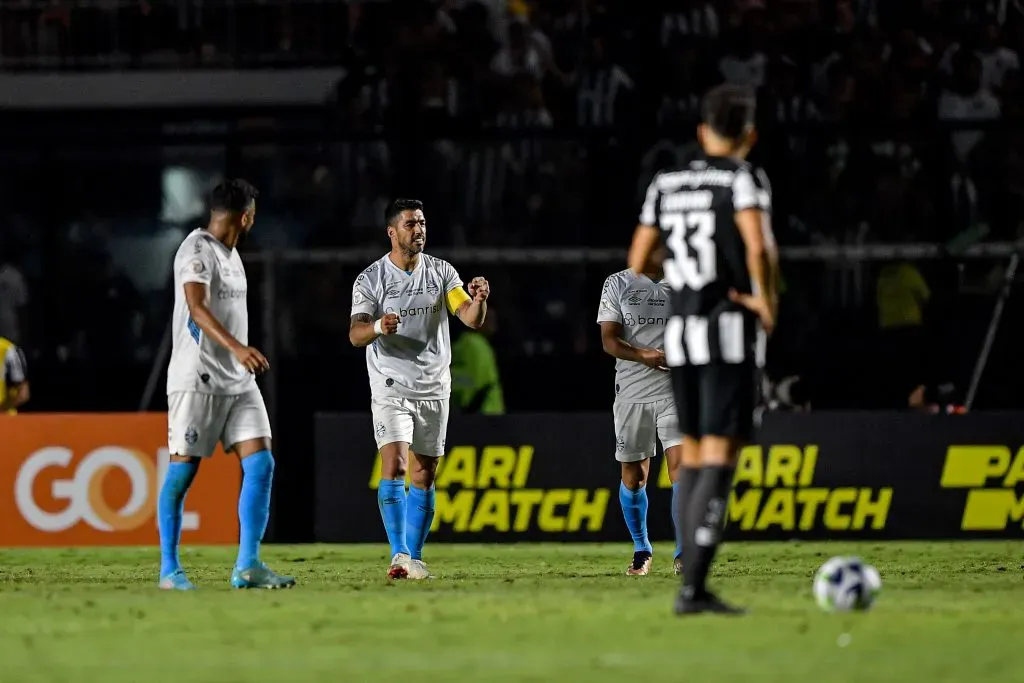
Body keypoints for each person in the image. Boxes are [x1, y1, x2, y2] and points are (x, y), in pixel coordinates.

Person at [627, 84, 778, 615]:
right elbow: (757, 246)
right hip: (726, 331)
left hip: (680, 334)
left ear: (701, 131)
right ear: (749, 135)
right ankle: (694, 588)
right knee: (719, 456)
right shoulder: (743, 178)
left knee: (690, 455)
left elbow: (639, 259)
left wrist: (684, 276)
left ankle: (692, 584)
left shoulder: (665, 183)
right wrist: (765, 301)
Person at [159, 178, 295, 591]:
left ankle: (248, 564)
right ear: (246, 216)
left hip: (237, 381)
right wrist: (238, 347)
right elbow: (197, 309)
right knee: (184, 470)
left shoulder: (232, 254)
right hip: (196, 377)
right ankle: (169, 570)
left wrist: (238, 357)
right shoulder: (196, 250)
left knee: (261, 462)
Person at [349, 198, 490, 580]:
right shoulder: (371, 279)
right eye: (411, 224)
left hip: (433, 387)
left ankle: (415, 556)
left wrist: (478, 301)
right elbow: (356, 333)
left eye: (423, 222)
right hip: (390, 384)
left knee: (424, 474)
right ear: (392, 232)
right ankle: (399, 554)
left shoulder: (442, 273)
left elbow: (469, 319)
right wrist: (378, 327)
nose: (420, 230)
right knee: (393, 465)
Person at [596, 249, 684, 577]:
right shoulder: (618, 283)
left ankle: (683, 552)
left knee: (681, 470)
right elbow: (608, 340)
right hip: (632, 392)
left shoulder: (684, 281)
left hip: (674, 390)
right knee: (635, 477)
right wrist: (643, 354)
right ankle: (641, 548)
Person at [450, 307, 505, 415]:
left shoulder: (477, 343)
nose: (493, 322)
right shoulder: (473, 344)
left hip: (486, 414)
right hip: (482, 416)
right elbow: (475, 383)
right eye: (487, 317)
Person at [0, 336, 29, 414]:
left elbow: (23, 393)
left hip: (5, 420)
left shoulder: (9, 350)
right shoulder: (9, 348)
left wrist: (2, 409)